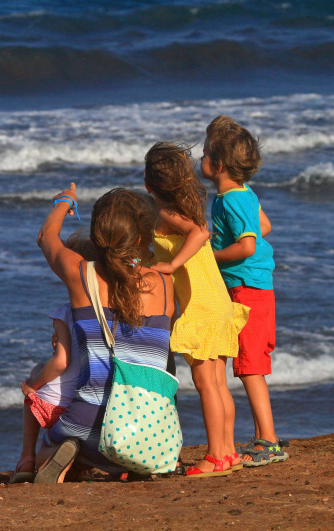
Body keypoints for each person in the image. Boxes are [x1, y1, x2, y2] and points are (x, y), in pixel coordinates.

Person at [33, 184, 175, 483]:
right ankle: (130, 459)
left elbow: (46, 237)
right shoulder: (163, 283)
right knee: (128, 446)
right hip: (147, 426)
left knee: (43, 455)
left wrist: (64, 201)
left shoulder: (80, 273)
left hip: (85, 420)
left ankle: (73, 453)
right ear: (139, 236)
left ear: (97, 235)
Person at [144, 141, 249, 477]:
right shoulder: (185, 208)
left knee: (206, 384)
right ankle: (228, 451)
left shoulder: (165, 213)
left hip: (202, 307)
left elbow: (199, 234)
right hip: (216, 301)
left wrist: (172, 264)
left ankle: (216, 455)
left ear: (149, 186)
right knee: (217, 384)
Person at [202, 115, 288, 466]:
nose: (200, 160)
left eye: (205, 154)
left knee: (250, 365)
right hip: (256, 285)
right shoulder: (242, 193)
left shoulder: (230, 200)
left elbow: (249, 244)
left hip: (247, 289)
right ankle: (262, 437)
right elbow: (263, 224)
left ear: (218, 165)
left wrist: (211, 256)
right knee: (252, 362)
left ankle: (269, 440)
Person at [10, 230, 98, 484]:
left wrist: (32, 387)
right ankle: (81, 465)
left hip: (59, 407)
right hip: (95, 406)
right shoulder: (109, 309)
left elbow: (60, 362)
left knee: (34, 384)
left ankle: (27, 459)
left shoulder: (67, 313)